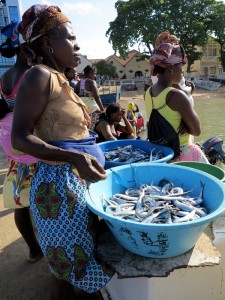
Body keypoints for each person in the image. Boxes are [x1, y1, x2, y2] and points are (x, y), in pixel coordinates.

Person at [12, 5, 113, 299]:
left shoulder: (60, 79)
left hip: (75, 184)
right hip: (58, 189)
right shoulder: (38, 76)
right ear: (47, 44)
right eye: (70, 38)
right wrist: (74, 157)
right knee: (71, 268)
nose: (77, 45)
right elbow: (20, 137)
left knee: (74, 264)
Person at [0, 20, 43, 263]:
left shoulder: (5, 76)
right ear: (25, 49)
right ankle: (47, 245)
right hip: (31, 144)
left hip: (12, 146)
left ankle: (33, 249)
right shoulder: (29, 75)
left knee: (20, 202)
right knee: (41, 197)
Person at [145, 31, 208, 162]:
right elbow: (196, 131)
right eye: (181, 67)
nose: (183, 71)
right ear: (171, 68)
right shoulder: (176, 96)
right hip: (180, 152)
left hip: (161, 153)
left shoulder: (148, 92)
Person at [75, 65, 104, 130]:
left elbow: (75, 96)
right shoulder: (91, 82)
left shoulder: (79, 83)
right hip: (93, 109)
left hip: (83, 110)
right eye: (94, 73)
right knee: (93, 128)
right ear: (90, 73)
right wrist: (102, 110)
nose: (95, 76)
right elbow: (97, 97)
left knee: (86, 128)